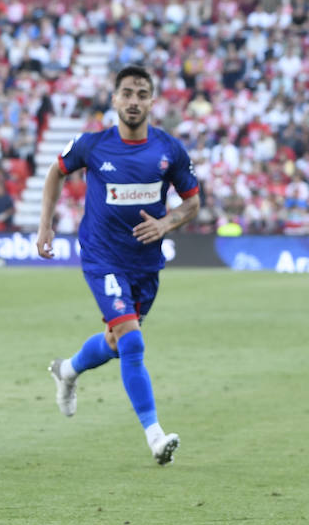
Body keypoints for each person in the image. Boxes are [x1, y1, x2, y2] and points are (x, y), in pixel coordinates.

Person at [36, 65, 199, 465]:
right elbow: (56, 172)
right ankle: (155, 436)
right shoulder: (93, 145)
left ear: (152, 101)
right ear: (114, 99)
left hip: (145, 264)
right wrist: (46, 225)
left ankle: (69, 369)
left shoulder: (169, 150)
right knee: (132, 340)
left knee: (116, 342)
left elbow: (192, 203)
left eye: (142, 94)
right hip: (102, 257)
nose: (134, 101)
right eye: (127, 93)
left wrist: (166, 223)